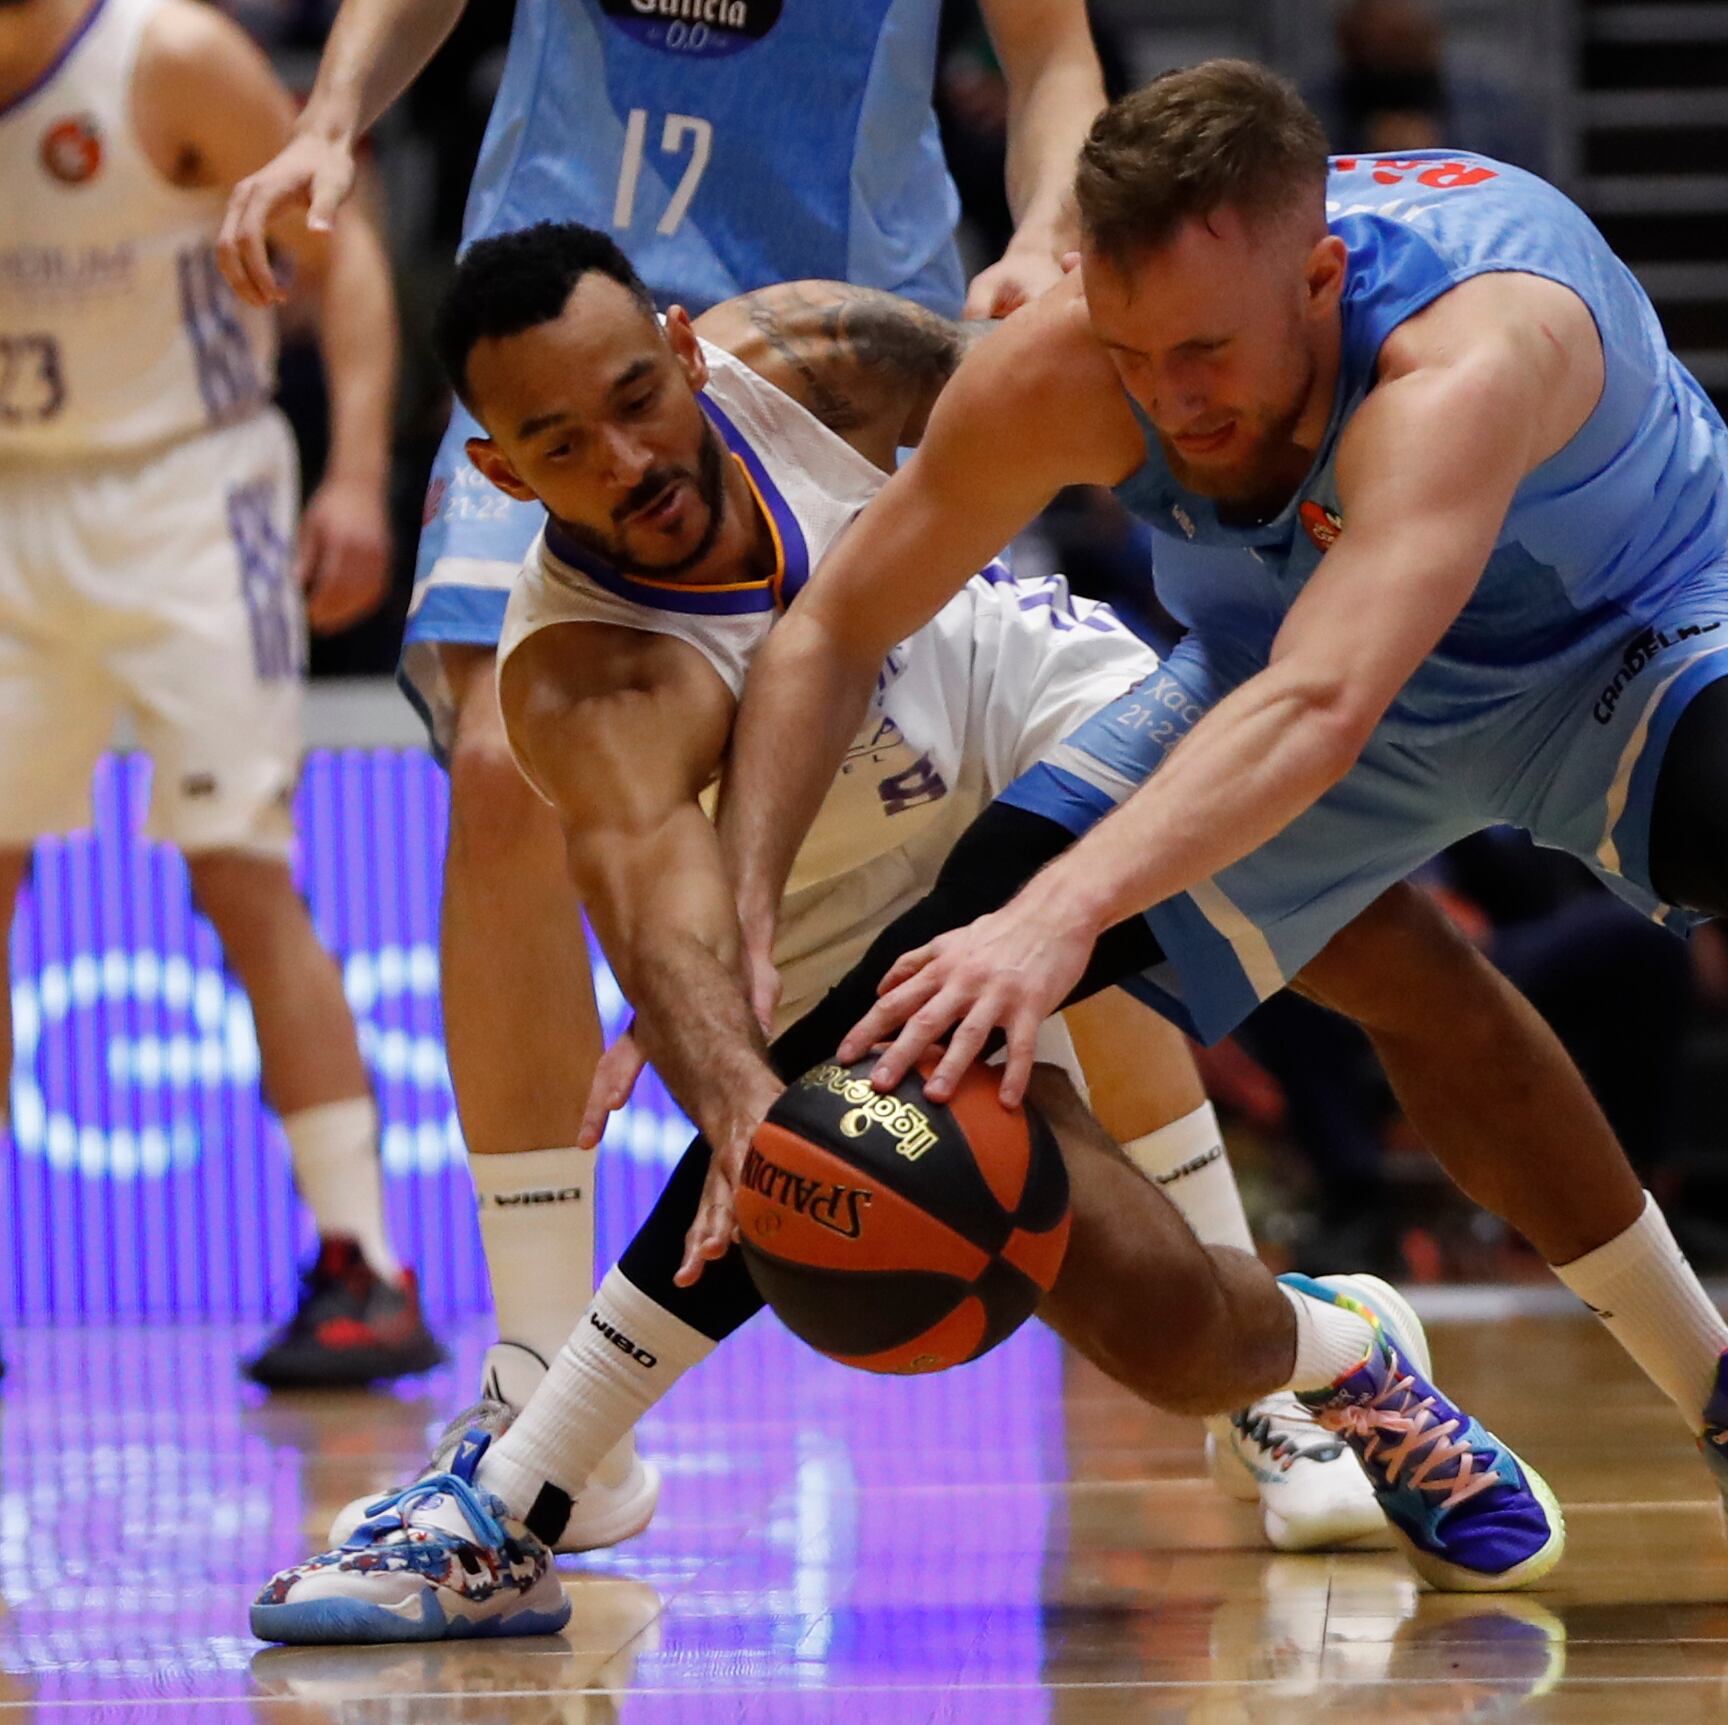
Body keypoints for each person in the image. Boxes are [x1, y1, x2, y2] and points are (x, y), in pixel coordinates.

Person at [251, 224, 1728, 1646]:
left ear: (689, 350)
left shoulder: (818, 358)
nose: (624, 461)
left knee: (1404, 963)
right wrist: (751, 1117)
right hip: (852, 918)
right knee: (1158, 1326)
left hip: (1038, 700)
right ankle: (1342, 1354)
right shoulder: (584, 678)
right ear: (497, 471)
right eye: (561, 448)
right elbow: (670, 925)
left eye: (635, 400)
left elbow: (1106, 407)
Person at [726, 65, 1728, 1646]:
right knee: (885, 1046)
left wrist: (1062, 916)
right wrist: (741, 943)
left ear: (1320, 278)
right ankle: (533, 1472)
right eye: (1130, 353)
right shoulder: (1064, 372)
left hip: (1617, 641)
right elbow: (831, 623)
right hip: (1296, 659)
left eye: (1203, 354)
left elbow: (1322, 711)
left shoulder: (1468, 349)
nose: (1168, 400)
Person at [212, 0, 1114, 1528]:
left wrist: (1048, 233)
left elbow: (1052, 54)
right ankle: (539, 1364)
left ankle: (1264, 1331)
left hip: (833, 332)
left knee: (1050, 808)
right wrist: (332, 112)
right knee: (505, 765)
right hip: (571, 352)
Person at [0, 0, 441, 1387]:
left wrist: (359, 472)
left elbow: (343, 247)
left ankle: (359, 1259)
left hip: (190, 492)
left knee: (241, 873)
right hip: (15, 498)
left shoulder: (169, 57)